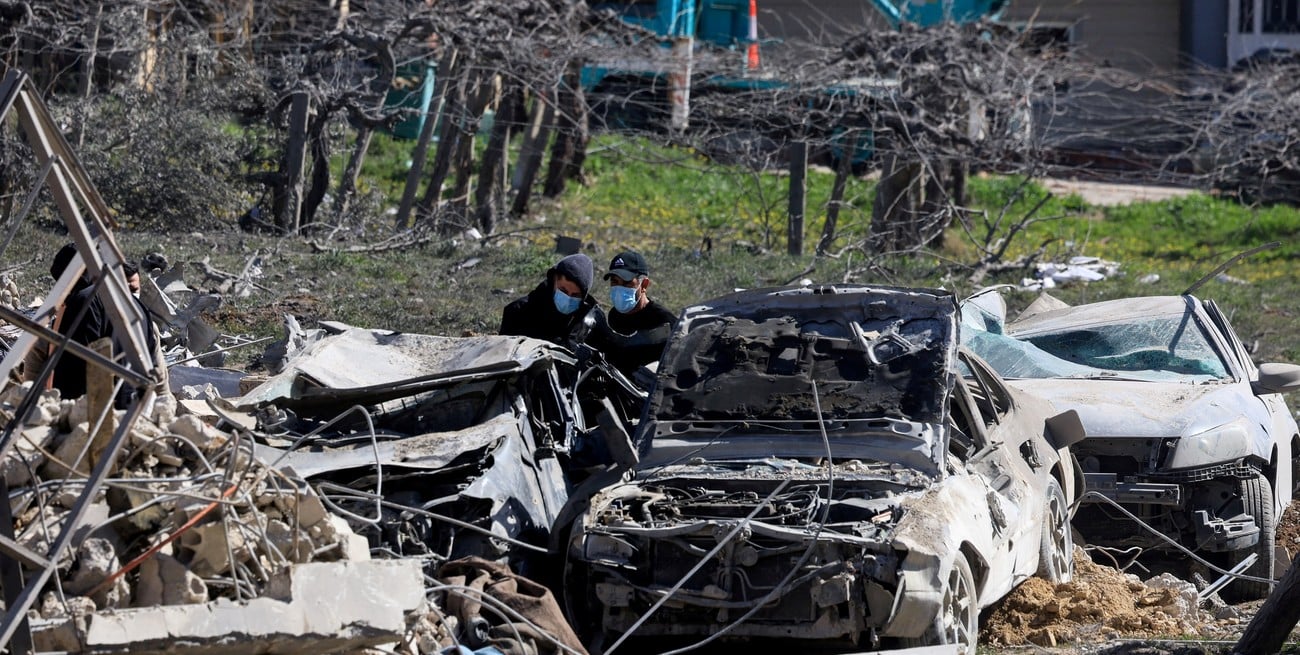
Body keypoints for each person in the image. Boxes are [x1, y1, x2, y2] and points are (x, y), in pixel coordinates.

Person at [500, 253, 605, 348]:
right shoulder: (518, 312)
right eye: (563, 290)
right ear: (553, 281)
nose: (568, 298)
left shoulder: (587, 325)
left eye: (575, 295)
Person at [603, 250, 676, 376]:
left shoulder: (664, 321)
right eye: (614, 282)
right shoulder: (614, 317)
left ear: (644, 285)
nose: (620, 288)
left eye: (627, 283)